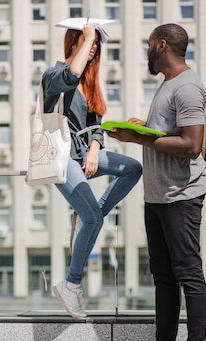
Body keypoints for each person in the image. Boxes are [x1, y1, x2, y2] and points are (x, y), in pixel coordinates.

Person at [106, 23, 206, 341]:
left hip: (181, 196)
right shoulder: (167, 85)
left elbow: (191, 145)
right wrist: (145, 128)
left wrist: (138, 139)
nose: (147, 52)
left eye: (149, 45)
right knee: (164, 277)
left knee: (188, 273)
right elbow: (171, 134)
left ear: (161, 45)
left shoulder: (188, 86)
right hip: (158, 195)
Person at [44, 19, 142, 319]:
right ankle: (71, 285)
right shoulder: (54, 75)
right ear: (74, 42)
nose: (94, 48)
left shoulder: (91, 85)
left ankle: (90, 215)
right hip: (61, 158)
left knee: (133, 168)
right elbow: (70, 74)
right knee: (94, 222)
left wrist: (96, 149)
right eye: (89, 42)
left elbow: (95, 126)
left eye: (97, 44)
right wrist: (88, 34)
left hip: (85, 155)